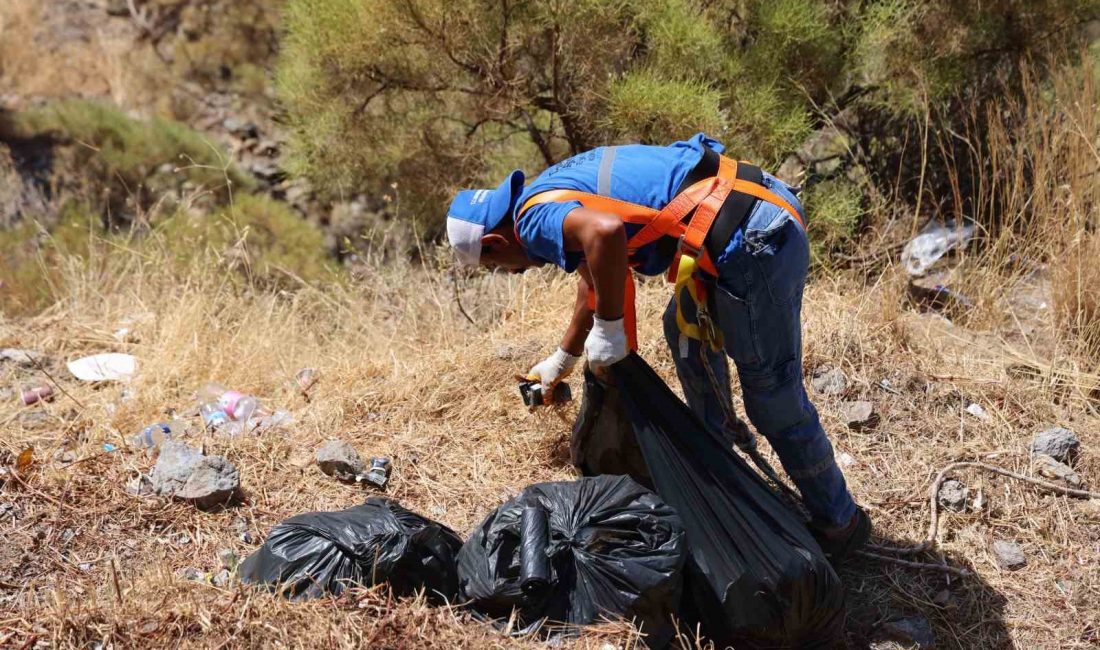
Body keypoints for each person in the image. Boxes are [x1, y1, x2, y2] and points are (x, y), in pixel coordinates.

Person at [445, 133, 869, 561]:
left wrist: (611, 329)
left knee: (773, 397)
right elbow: (592, 277)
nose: (512, 273)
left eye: (498, 267)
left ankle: (840, 522)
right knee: (683, 333)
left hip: (753, 237)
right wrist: (564, 357)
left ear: (494, 245)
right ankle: (722, 472)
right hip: (747, 206)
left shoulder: (531, 224)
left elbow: (606, 233)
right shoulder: (541, 193)